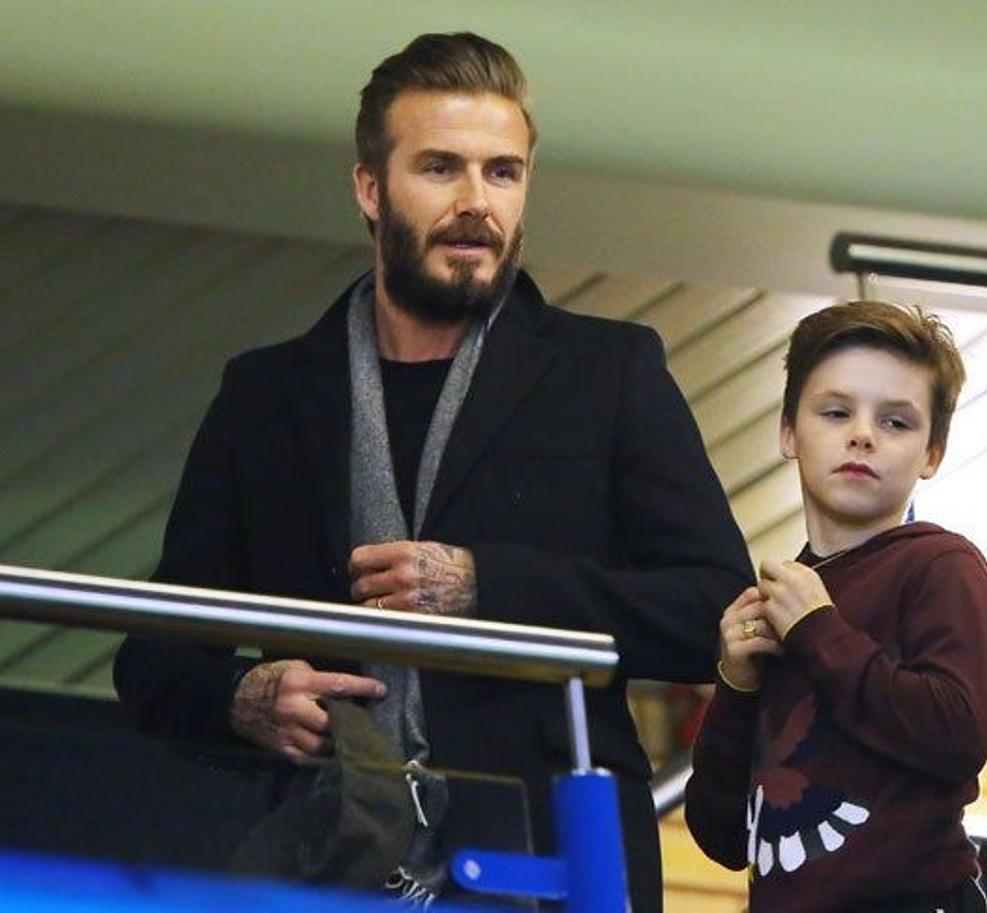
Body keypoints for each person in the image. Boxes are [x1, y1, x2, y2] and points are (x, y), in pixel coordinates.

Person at [113, 32, 752, 913]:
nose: (476, 202)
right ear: (370, 188)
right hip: (318, 862)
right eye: (441, 167)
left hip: (546, 868)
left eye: (503, 172)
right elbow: (153, 654)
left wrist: (488, 586)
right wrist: (240, 694)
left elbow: (712, 610)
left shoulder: (608, 372)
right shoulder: (266, 394)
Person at [684, 301, 987, 913]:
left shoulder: (941, 566)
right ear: (788, 432)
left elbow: (958, 735)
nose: (862, 433)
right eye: (836, 412)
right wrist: (736, 685)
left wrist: (819, 632)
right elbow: (722, 835)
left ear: (932, 454)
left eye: (896, 423)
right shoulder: (779, 602)